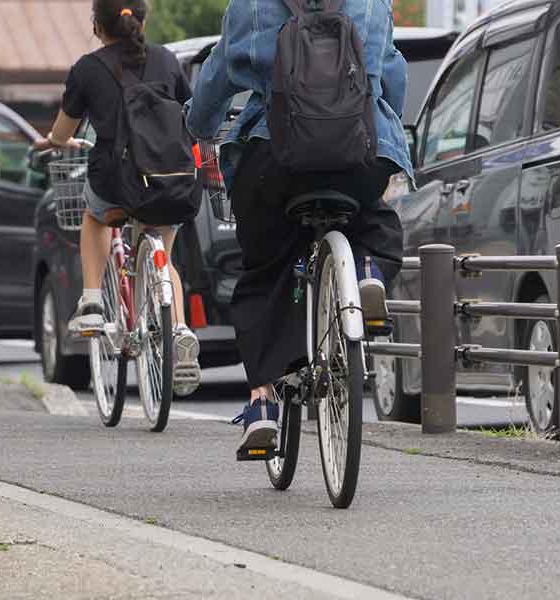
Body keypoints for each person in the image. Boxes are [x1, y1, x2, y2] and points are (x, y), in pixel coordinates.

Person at [185, 0, 409, 453]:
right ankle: (366, 270)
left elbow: (218, 77)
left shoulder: (248, 5)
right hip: (359, 152)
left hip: (275, 158)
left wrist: (198, 123)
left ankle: (262, 401)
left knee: (264, 270)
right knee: (375, 221)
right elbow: (391, 76)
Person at [34, 0, 201, 396]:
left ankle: (92, 300)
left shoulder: (87, 69)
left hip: (116, 182)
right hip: (168, 179)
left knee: (95, 216)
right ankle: (178, 328)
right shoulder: (166, 61)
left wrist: (57, 142)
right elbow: (189, 114)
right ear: (143, 20)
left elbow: (62, 130)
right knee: (165, 253)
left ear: (97, 26)